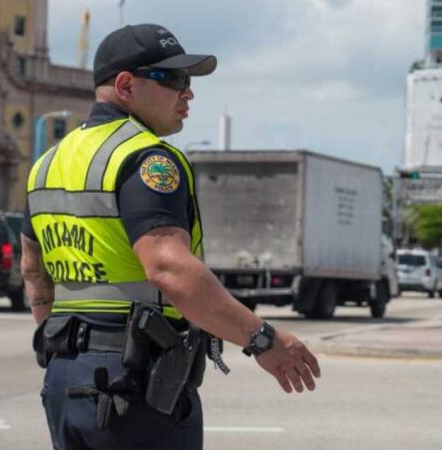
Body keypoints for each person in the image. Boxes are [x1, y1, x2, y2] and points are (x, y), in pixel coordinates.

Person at [20, 24, 321, 450]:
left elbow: (33, 270)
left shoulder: (47, 164)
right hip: (134, 384)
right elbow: (168, 268)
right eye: (174, 79)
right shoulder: (147, 158)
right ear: (126, 84)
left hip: (67, 377)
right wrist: (263, 340)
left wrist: (67, 348)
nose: (188, 94)